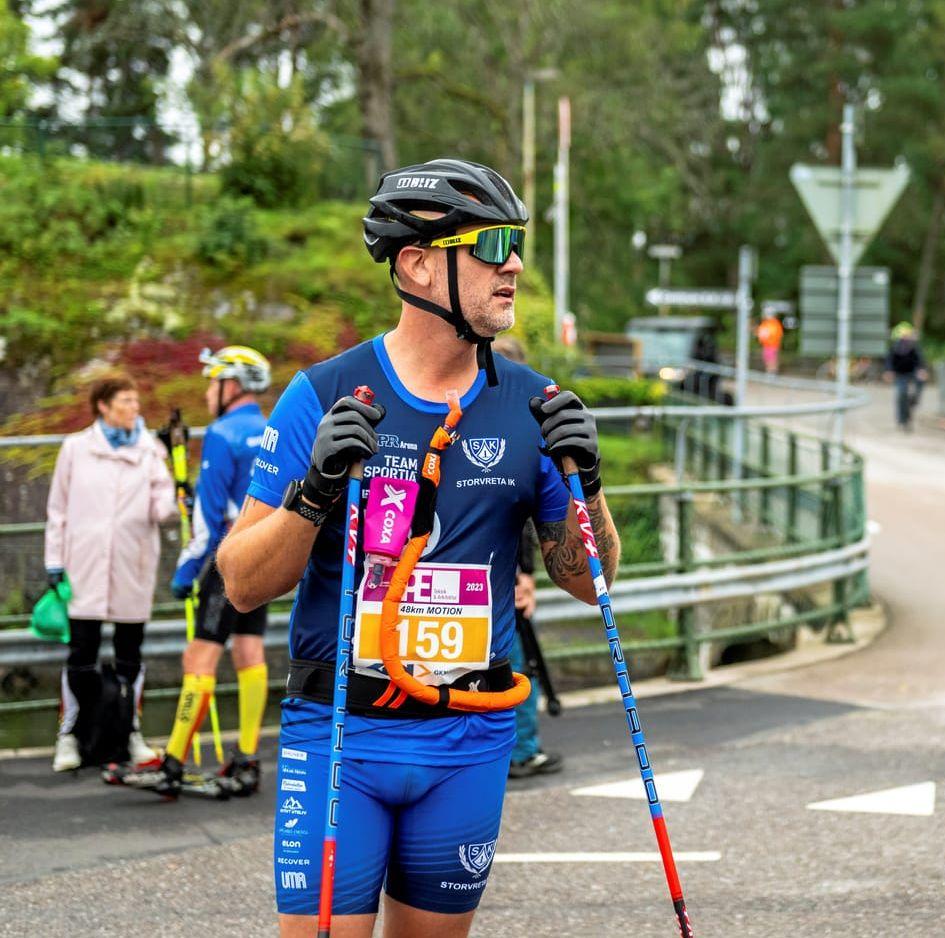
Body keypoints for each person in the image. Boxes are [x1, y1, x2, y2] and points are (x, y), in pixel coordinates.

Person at [214, 158, 619, 938]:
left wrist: (588, 486)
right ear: (419, 264)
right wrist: (315, 491)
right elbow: (239, 582)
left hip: (467, 740)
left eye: (518, 245)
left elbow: (591, 582)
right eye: (494, 243)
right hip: (340, 733)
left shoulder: (534, 405)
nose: (515, 264)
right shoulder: (326, 394)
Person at [123, 347, 273, 796]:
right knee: (250, 652)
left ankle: (172, 762)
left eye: (213, 381)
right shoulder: (271, 429)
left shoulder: (222, 434)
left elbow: (208, 521)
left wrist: (187, 570)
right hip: (265, 556)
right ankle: (246, 759)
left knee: (199, 658)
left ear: (233, 385)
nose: (208, 391)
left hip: (229, 558)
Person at [45, 372, 177, 771]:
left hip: (131, 564)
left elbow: (163, 512)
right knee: (80, 654)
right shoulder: (75, 448)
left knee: (129, 656)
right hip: (83, 565)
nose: (133, 408)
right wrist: (54, 560)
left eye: (136, 401)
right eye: (125, 401)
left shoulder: (151, 450)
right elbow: (58, 509)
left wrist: (171, 471)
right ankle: (69, 736)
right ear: (103, 406)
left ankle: (130, 732)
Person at [492, 336, 563, 779]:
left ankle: (513, 748)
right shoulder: (520, 430)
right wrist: (526, 574)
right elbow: (523, 518)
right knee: (519, 663)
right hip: (506, 574)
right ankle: (521, 749)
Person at [883, 322, 929, 431]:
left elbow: (920, 360)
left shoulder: (914, 346)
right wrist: (889, 371)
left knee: (920, 382)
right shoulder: (895, 347)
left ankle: (914, 400)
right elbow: (889, 361)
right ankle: (902, 420)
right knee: (902, 394)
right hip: (900, 374)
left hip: (912, 373)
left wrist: (922, 370)